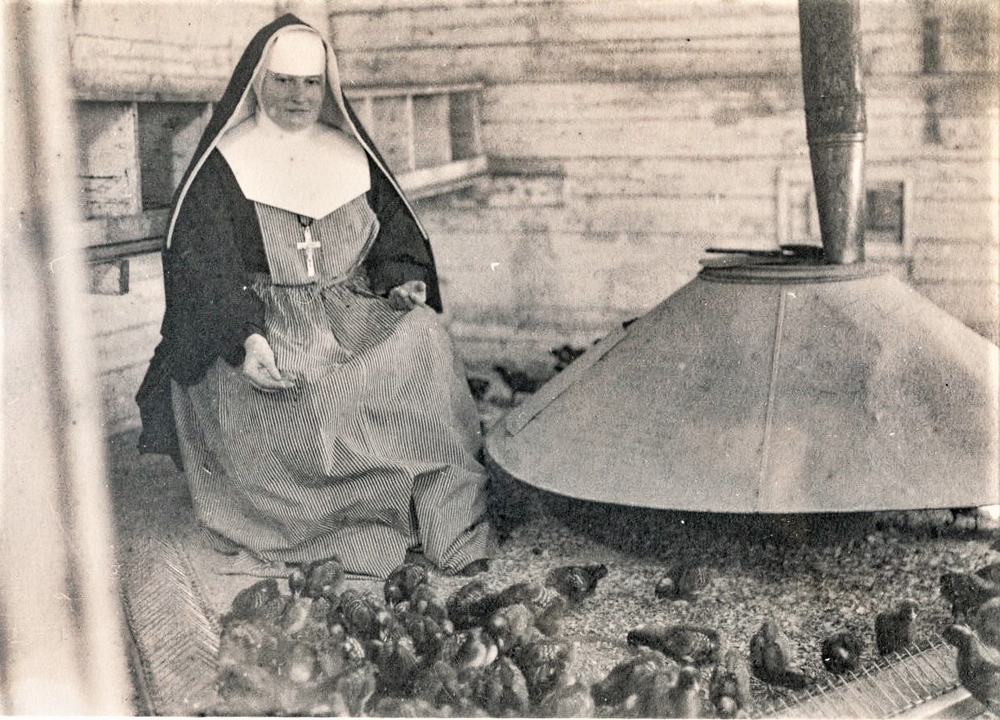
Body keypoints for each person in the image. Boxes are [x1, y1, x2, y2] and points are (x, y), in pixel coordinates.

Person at [135, 14, 495, 578]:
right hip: (264, 325)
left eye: (310, 83)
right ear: (257, 82)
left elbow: (394, 236)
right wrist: (245, 339)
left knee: (425, 337)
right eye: (282, 81)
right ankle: (353, 526)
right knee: (317, 400)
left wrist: (402, 279)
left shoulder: (350, 153)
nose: (298, 95)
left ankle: (442, 519)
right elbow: (204, 271)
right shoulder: (225, 164)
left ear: (326, 85)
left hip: (348, 311)